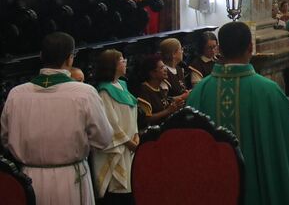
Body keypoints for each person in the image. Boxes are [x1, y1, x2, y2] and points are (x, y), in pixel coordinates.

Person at [187, 21, 289, 205]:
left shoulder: (199, 92)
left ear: (220, 49)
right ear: (251, 47)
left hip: (213, 193)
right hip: (257, 193)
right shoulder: (269, 92)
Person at [1, 32, 112, 204]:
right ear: (70, 59)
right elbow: (103, 139)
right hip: (70, 179)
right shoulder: (84, 93)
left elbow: (5, 138)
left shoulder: (16, 94)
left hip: (29, 180)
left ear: (41, 56)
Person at [92, 49, 139, 203]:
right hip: (119, 146)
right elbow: (110, 123)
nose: (125, 62)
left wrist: (136, 135)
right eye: (121, 60)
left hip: (131, 145)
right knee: (118, 193)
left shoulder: (122, 85)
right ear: (111, 65)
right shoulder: (104, 91)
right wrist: (129, 142)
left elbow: (132, 113)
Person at [135, 54, 187, 129]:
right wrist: (168, 111)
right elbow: (147, 119)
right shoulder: (144, 91)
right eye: (162, 67)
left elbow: (165, 104)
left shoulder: (159, 88)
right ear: (152, 73)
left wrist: (176, 106)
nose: (166, 69)